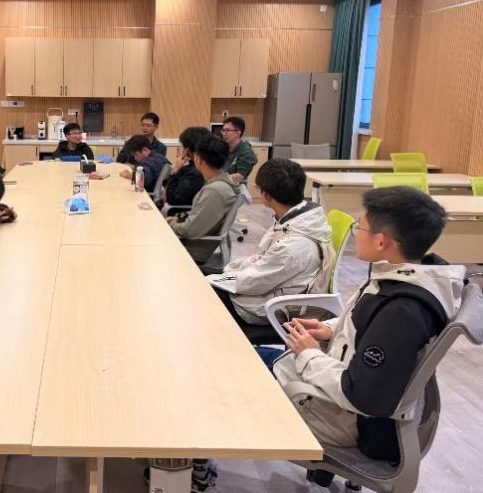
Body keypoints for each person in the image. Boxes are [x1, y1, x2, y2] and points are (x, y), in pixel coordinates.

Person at [273, 187, 464, 471]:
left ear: (381, 241)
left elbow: (360, 396)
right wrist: (330, 329)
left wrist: (309, 354)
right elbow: (370, 324)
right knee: (252, 360)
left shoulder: (402, 314)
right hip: (337, 389)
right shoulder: (408, 276)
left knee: (240, 380)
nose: (356, 233)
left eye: (360, 227)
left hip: (345, 421)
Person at [211, 159, 334, 326]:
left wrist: (221, 276)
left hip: (269, 307)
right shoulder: (300, 219)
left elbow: (253, 282)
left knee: (203, 292)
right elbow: (262, 260)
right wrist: (230, 271)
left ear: (266, 195)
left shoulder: (292, 246)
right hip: (271, 287)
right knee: (210, 277)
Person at [167, 135, 239, 264]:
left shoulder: (214, 191)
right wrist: (180, 218)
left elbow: (190, 231)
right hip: (195, 244)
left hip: (191, 250)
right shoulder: (221, 182)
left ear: (199, 159)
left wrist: (172, 225)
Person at [162, 126, 208, 209]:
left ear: (187, 149)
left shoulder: (194, 173)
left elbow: (169, 198)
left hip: (180, 212)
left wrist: (175, 171)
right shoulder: (206, 167)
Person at [220, 116, 257, 184]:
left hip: (235, 186)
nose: (223, 133)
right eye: (223, 130)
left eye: (227, 130)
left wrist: (216, 179)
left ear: (238, 132)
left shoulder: (246, 152)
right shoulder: (224, 146)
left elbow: (240, 176)